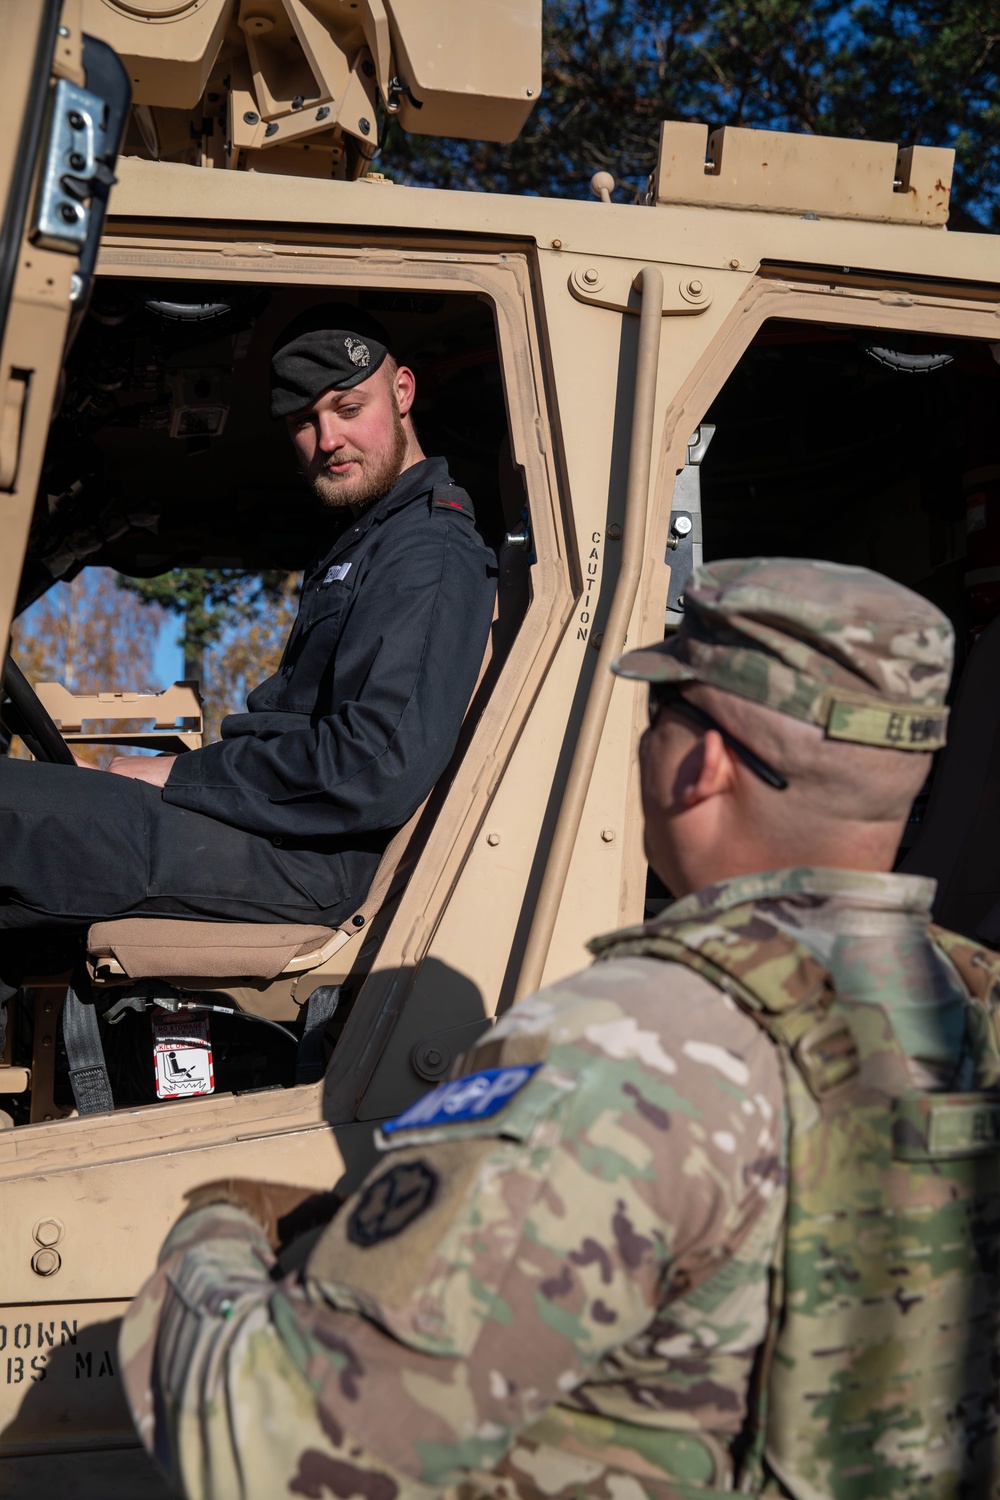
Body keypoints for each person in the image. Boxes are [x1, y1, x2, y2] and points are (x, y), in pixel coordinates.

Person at [119, 557, 1000, 1499]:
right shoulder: (975, 1009)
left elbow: (266, 1440)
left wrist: (211, 1240)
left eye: (659, 713)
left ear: (702, 765)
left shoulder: (625, 1051)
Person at [0, 308, 497, 998]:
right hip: (279, 839)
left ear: (404, 392)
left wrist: (178, 778)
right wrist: (179, 775)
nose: (328, 439)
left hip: (303, 864)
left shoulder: (427, 552)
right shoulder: (369, 539)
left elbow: (372, 766)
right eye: (302, 421)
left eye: (349, 408)